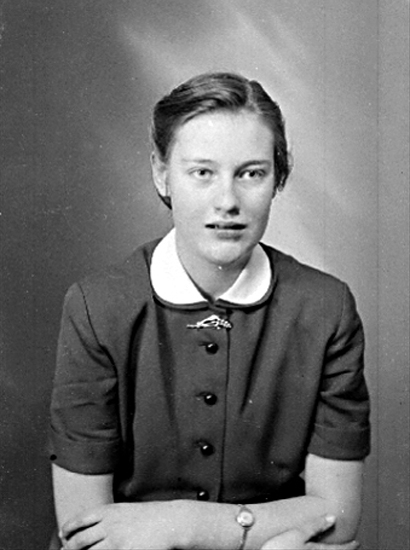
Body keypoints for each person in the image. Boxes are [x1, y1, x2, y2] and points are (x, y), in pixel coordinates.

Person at [49, 72, 370, 550]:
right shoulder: (97, 307)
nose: (227, 202)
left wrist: (183, 523)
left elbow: (337, 518)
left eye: (251, 173)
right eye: (202, 172)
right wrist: (264, 531)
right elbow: (85, 531)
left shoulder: (326, 309)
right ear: (162, 174)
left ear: (279, 177)